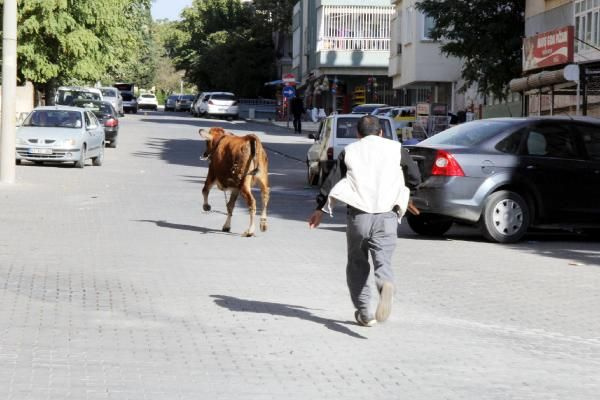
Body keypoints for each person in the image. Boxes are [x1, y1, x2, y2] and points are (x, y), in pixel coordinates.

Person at [308, 115, 421, 327]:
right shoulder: (397, 149)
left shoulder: (350, 150)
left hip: (358, 216)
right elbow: (414, 177)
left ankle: (364, 313)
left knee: (357, 265)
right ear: (381, 132)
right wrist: (408, 194)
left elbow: (331, 180)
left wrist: (319, 208)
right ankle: (384, 283)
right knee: (383, 261)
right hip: (387, 216)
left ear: (358, 134)